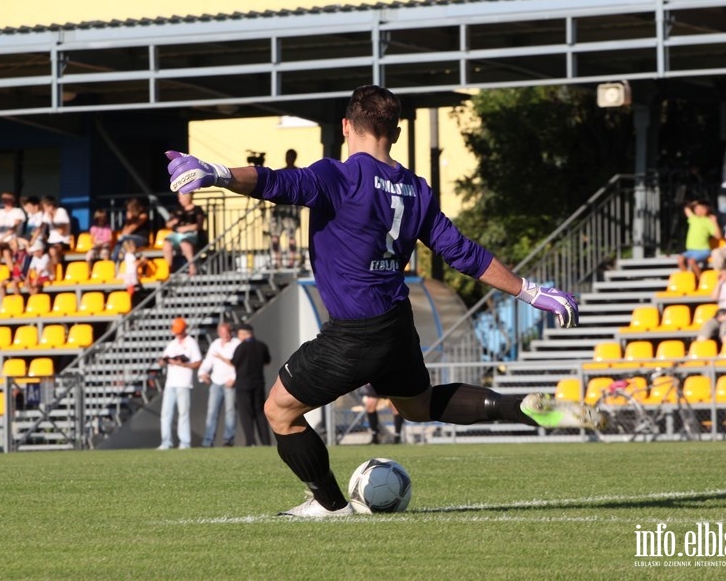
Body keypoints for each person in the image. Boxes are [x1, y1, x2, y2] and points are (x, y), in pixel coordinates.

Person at [166, 85, 598, 517]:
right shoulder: (417, 188)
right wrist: (529, 290)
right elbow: (463, 253)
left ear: (346, 126)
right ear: (394, 130)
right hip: (395, 322)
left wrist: (216, 172)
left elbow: (276, 182)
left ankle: (330, 504)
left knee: (278, 411)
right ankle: (519, 407)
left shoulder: (339, 175)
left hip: (355, 329)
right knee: (418, 405)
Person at [156, 317, 202, 450]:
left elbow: (198, 362)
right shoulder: (173, 343)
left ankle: (185, 442)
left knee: (183, 412)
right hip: (170, 382)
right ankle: (166, 442)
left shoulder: (191, 343)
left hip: (183, 382)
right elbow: (162, 360)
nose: (177, 334)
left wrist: (183, 364)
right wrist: (164, 361)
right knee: (166, 413)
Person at [197, 321, 240, 448]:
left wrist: (234, 378)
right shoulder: (215, 344)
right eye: (223, 333)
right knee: (212, 412)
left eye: (227, 332)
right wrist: (202, 373)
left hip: (229, 383)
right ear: (219, 333)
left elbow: (240, 363)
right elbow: (208, 361)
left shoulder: (236, 343)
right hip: (216, 382)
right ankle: (208, 440)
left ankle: (228, 439)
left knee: (230, 412)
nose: (225, 335)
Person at [230, 323, 272, 447]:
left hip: (243, 384)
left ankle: (251, 441)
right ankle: (265, 441)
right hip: (258, 383)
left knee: (246, 413)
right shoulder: (262, 346)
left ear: (243, 334)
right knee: (259, 412)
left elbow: (234, 362)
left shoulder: (240, 348)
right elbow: (267, 361)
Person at [268, 148, 302, 269]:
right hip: (279, 209)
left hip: (291, 209)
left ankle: (291, 261)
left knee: (291, 236)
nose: (289, 159)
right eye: (287, 156)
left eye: (291, 156)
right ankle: (278, 261)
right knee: (275, 236)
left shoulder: (299, 173)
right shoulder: (281, 173)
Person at [162, 191, 206, 275]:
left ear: (188, 197)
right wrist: (173, 222)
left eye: (181, 197)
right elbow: (168, 224)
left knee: (184, 243)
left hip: (191, 234)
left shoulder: (197, 209)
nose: (179, 200)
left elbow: (198, 226)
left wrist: (185, 228)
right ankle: (168, 268)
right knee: (167, 243)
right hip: (176, 234)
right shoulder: (177, 209)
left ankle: (192, 267)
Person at [677, 200, 720, 280]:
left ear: (706, 210)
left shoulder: (708, 221)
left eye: (701, 208)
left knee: (691, 261)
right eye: (696, 208)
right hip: (691, 250)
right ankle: (688, 279)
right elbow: (686, 208)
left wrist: (714, 222)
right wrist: (694, 203)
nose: (698, 210)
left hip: (703, 250)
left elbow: (718, 236)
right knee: (680, 260)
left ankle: (700, 280)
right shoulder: (693, 219)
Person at [0, 191, 27, 271]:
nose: (5, 200)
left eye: (7, 198)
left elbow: (14, 227)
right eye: (3, 199)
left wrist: (1, 239)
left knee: (6, 252)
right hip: (0, 241)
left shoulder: (18, 211)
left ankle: (12, 272)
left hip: (12, 239)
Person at [111, 197, 150, 263]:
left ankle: (113, 261)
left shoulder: (143, 216)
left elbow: (129, 231)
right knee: (123, 245)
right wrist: (128, 221)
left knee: (122, 239)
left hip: (142, 239)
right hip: (129, 240)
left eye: (129, 209)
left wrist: (130, 220)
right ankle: (117, 262)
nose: (128, 211)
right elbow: (124, 232)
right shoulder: (130, 219)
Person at [40, 195, 72, 266]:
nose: (44, 210)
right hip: (50, 241)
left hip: (63, 241)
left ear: (51, 206)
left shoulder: (61, 212)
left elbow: (61, 231)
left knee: (53, 250)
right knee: (37, 251)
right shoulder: (46, 214)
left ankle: (56, 271)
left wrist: (52, 221)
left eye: (45, 207)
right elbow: (41, 228)